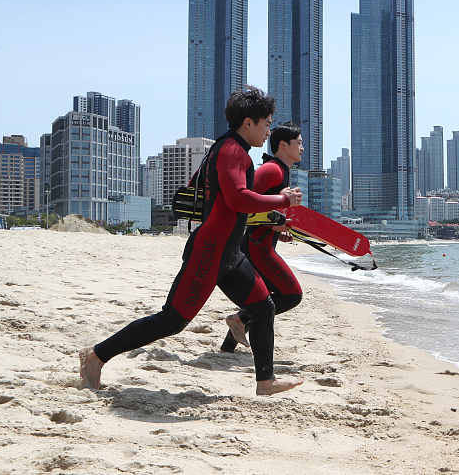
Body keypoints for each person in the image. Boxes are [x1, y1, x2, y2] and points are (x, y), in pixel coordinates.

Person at [79, 87, 304, 396]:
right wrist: (283, 198)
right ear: (248, 123)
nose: (268, 131)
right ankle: (96, 355)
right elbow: (238, 199)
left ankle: (265, 382)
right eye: (266, 123)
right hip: (210, 252)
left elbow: (204, 190)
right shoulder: (231, 151)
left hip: (229, 252)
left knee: (263, 308)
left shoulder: (228, 150)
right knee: (172, 320)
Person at [220, 122, 304, 354]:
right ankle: (238, 319)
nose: (302, 147)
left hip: (261, 245)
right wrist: (273, 222)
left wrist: (279, 227)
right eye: (298, 142)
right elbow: (242, 202)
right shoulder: (273, 170)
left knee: (261, 302)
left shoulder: (282, 172)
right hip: (257, 248)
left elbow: (264, 211)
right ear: (283, 145)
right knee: (291, 295)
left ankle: (226, 350)